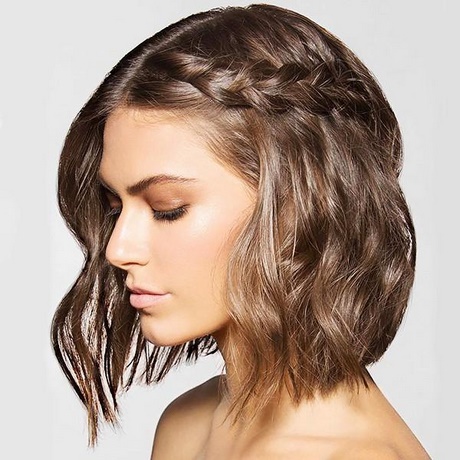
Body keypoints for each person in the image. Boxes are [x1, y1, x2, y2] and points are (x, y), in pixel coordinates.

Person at [51, 4, 431, 459]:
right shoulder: (184, 423)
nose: (117, 249)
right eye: (115, 208)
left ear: (295, 206)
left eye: (168, 209)